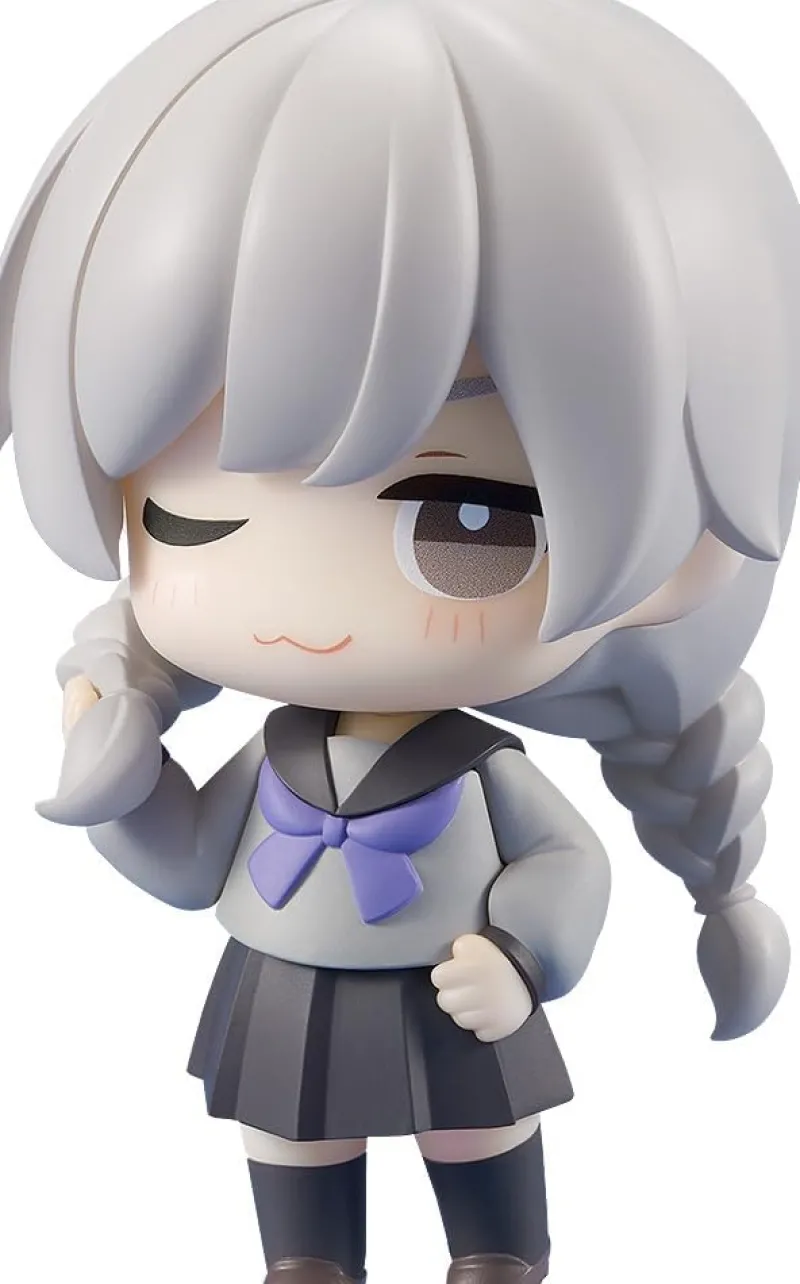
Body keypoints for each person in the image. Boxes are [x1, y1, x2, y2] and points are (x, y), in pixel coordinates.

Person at [2, 2, 798, 1280]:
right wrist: (122, 782)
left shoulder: (482, 772)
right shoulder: (274, 756)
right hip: (286, 995)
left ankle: (497, 1258)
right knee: (291, 1153)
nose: (300, 606)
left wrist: (521, 956)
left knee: (476, 1146)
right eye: (189, 518)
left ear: (688, 539)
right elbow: (192, 863)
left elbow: (566, 864)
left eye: (465, 518)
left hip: (447, 997)